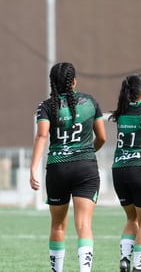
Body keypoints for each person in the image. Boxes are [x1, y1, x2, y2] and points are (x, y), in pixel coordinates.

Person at [29, 62, 106, 272]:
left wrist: (33, 167)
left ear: (52, 83)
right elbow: (102, 137)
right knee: (84, 226)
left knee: (58, 225)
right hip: (85, 168)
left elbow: (42, 136)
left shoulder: (46, 106)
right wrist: (87, 153)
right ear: (74, 81)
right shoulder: (90, 102)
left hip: (57, 169)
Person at [109, 73, 141, 272]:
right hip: (140, 169)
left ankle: (125, 259)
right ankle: (138, 267)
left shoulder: (122, 111)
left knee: (131, 218)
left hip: (119, 170)